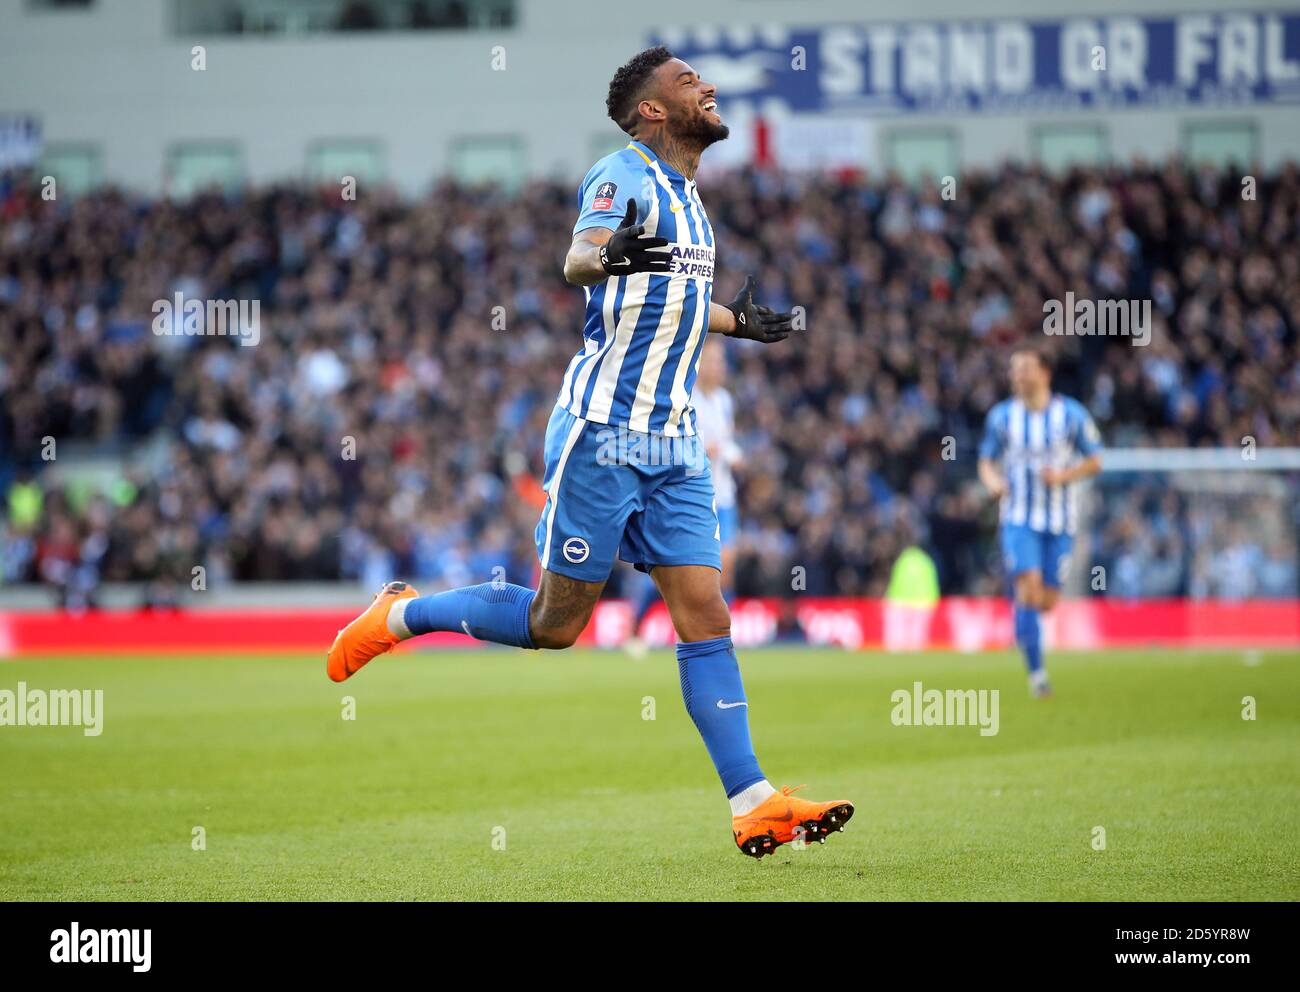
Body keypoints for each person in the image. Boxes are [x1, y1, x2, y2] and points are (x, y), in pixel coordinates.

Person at [326, 47, 852, 858]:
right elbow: (581, 260)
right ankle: (399, 615)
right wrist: (608, 255)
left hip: (675, 441)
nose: (706, 88)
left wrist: (734, 323)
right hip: (603, 436)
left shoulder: (690, 198)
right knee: (555, 623)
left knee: (705, 610)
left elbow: (667, 295)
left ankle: (753, 800)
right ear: (652, 110)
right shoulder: (622, 173)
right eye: (687, 82)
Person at [978, 345, 1102, 697]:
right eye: (1014, 370)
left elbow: (1095, 460)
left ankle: (1023, 622)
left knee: (1046, 600)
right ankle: (1037, 675)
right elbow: (986, 460)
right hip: (1018, 518)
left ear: (1045, 373)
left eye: (1025, 369)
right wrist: (993, 483)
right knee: (1029, 587)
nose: (1017, 376)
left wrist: (1063, 476)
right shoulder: (1002, 417)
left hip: (1060, 521)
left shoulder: (1072, 415)